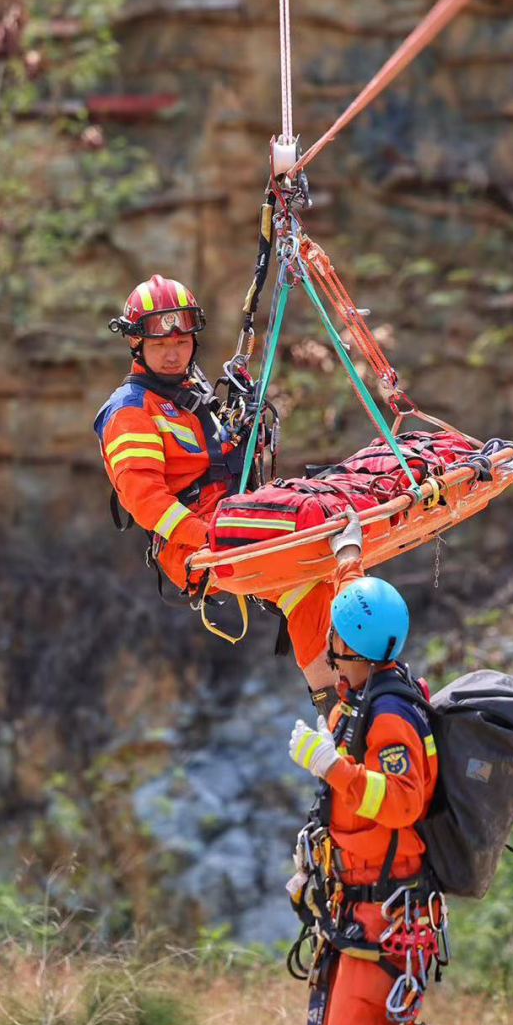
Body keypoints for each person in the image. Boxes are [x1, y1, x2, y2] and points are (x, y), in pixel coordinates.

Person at [94, 274, 362, 715]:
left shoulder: (191, 393)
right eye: (160, 345)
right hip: (199, 541)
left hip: (235, 518)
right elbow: (144, 500)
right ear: (136, 345)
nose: (173, 352)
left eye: (181, 342)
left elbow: (217, 460)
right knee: (315, 521)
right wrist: (206, 539)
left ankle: (340, 708)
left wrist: (243, 434)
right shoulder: (131, 410)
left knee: (309, 588)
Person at [287, 577, 441, 1025]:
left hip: (390, 909)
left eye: (335, 644)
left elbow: (402, 801)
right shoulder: (369, 697)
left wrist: (333, 769)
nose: (330, 655)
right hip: (363, 904)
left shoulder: (392, 713)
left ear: (351, 646)